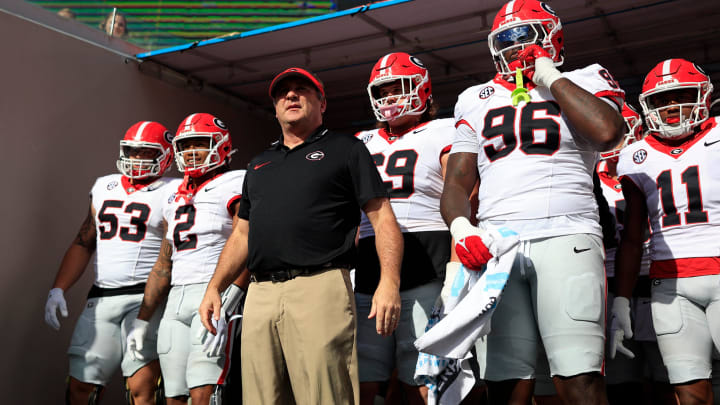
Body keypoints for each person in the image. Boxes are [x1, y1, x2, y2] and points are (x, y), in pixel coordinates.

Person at [439, 0, 625, 403]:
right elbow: (456, 182)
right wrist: (460, 228)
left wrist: (550, 78)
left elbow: (608, 132)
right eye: (506, 40)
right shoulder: (474, 97)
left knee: (578, 377)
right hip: (497, 246)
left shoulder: (586, 77)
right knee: (505, 380)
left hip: (566, 234)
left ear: (552, 36)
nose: (515, 47)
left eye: (525, 36)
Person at [197, 67, 404, 405]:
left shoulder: (346, 148)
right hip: (260, 293)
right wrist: (214, 287)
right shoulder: (259, 163)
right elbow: (242, 234)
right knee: (260, 398)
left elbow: (382, 219)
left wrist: (389, 282)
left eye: (301, 89)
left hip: (320, 286)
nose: (291, 95)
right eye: (283, 92)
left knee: (325, 396)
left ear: (322, 103)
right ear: (276, 107)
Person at [44, 121, 178, 405]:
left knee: (143, 386)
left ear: (165, 155)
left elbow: (175, 249)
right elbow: (84, 241)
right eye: (132, 150)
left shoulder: (173, 191)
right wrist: (58, 289)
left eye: (146, 152)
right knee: (81, 384)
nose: (137, 158)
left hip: (148, 296)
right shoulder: (104, 186)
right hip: (102, 296)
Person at [613, 58, 720, 405]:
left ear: (702, 95)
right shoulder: (635, 155)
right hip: (669, 285)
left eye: (681, 95)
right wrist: (622, 298)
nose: (672, 106)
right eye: (662, 99)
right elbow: (633, 236)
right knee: (688, 390)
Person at [355, 52, 456, 405]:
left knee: (423, 376)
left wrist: (459, 268)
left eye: (399, 87)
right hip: (368, 261)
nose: (391, 98)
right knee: (364, 376)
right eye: (382, 91)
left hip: (426, 259)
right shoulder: (360, 141)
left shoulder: (446, 129)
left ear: (423, 88)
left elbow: (464, 196)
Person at [126, 113, 247, 405]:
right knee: (173, 393)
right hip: (176, 301)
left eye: (200, 144)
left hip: (213, 292)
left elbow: (248, 242)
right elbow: (164, 262)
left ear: (221, 146)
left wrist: (229, 297)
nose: (191, 152)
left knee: (205, 391)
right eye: (185, 145)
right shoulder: (173, 195)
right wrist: (143, 319)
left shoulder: (236, 181)